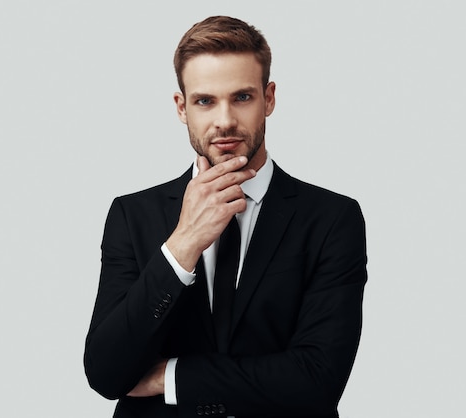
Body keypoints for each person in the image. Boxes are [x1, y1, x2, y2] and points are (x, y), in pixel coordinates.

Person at [84, 15, 367, 418]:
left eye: (242, 97)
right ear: (182, 107)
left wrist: (172, 377)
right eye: (205, 101)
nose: (225, 121)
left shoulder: (332, 218)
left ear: (268, 98)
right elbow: (105, 373)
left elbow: (317, 379)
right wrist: (182, 245)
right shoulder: (132, 215)